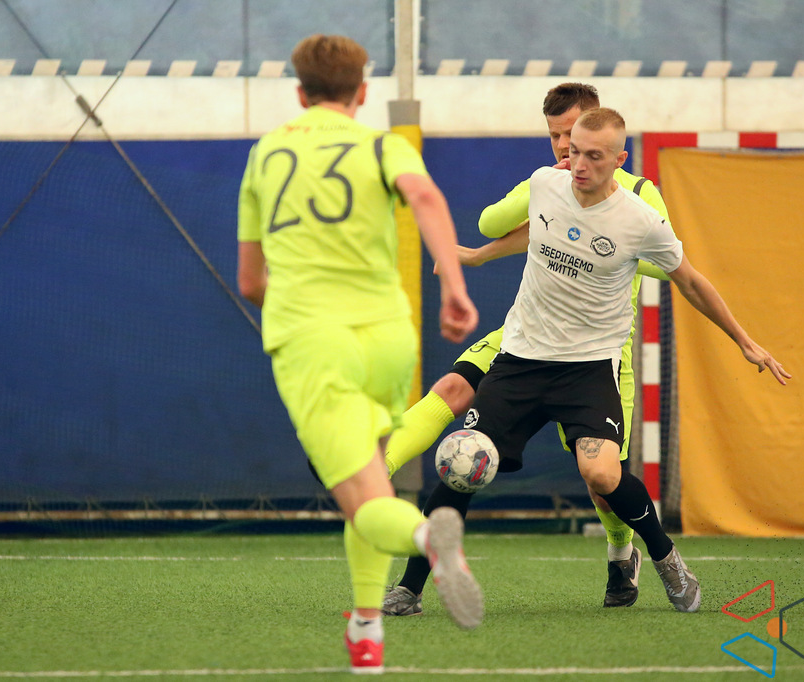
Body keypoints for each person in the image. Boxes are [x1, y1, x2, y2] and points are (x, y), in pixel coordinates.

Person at [236, 34, 483, 674]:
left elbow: (251, 282)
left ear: (300, 93)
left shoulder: (266, 153)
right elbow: (425, 198)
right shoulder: (383, 144)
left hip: (317, 343)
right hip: (389, 337)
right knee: (372, 476)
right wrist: (455, 287)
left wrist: (300, 311)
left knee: (365, 502)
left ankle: (428, 537)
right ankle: (367, 628)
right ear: (363, 91)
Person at [382, 83, 670, 615]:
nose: (563, 146)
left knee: (603, 483)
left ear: (600, 132)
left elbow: (668, 262)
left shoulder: (638, 193)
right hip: (525, 337)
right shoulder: (550, 182)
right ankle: (377, 474)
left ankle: (620, 552)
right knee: (455, 397)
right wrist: (481, 253)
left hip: (598, 355)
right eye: (555, 136)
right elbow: (500, 224)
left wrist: (609, 243)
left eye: (572, 135)